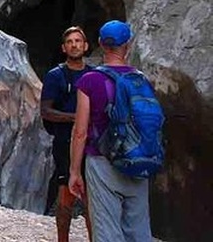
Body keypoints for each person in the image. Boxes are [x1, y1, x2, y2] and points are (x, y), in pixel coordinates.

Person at [69, 20, 152, 242]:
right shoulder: (141, 79)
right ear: (128, 44)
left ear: (100, 44)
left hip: (101, 161)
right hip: (138, 160)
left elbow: (80, 131)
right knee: (138, 231)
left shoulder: (90, 80)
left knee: (107, 231)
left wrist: (74, 171)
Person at [40, 26, 93, 242]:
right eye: (70, 41)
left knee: (93, 197)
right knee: (66, 194)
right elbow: (46, 111)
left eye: (78, 41)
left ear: (86, 46)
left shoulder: (93, 75)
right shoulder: (55, 76)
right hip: (64, 142)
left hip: (92, 143)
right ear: (64, 48)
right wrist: (76, 118)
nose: (74, 45)